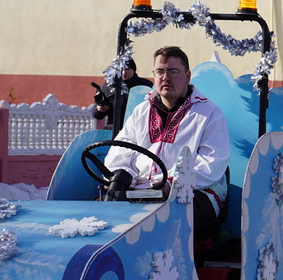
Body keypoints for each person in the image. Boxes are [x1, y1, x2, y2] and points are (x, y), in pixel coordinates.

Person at [104, 46, 230, 241]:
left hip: (196, 192)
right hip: (141, 190)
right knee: (103, 213)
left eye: (173, 71)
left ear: (187, 76)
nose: (165, 77)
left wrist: (173, 184)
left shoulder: (209, 113)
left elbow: (212, 162)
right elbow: (121, 149)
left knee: (164, 220)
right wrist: (121, 177)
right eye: (160, 72)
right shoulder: (142, 110)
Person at [91, 57, 152, 122]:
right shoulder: (108, 86)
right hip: (113, 129)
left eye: (127, 69)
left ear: (133, 69)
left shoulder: (145, 85)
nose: (123, 72)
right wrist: (100, 109)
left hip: (137, 127)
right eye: (121, 69)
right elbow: (97, 114)